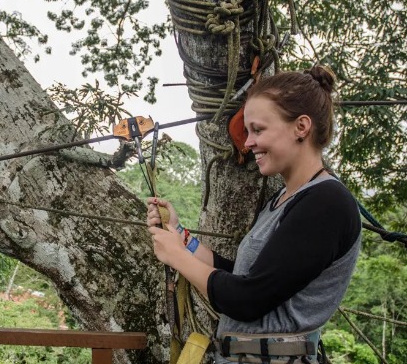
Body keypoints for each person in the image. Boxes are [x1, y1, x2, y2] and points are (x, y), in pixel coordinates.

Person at [146, 65, 362, 364]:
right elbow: (245, 277)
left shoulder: (327, 202)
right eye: (248, 132)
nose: (247, 143)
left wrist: (177, 257)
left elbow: (247, 300)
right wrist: (181, 237)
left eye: (258, 130)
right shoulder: (283, 200)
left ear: (301, 127)